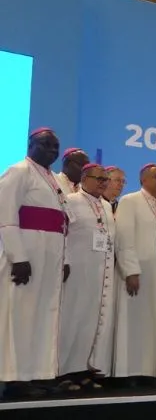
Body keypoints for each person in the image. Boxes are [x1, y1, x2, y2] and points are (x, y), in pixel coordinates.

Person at [0, 128, 70, 397]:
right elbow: (5, 217)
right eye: (46, 145)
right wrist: (18, 258)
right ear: (31, 144)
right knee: (21, 317)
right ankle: (15, 378)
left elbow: (62, 222)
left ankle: (37, 373)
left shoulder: (53, 179)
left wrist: (64, 259)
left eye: (56, 146)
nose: (52, 150)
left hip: (49, 260)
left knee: (43, 316)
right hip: (26, 259)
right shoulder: (18, 172)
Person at [114, 163, 156, 383]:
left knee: (155, 322)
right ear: (144, 180)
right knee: (134, 322)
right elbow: (124, 239)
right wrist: (130, 270)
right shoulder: (130, 201)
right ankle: (129, 371)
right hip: (137, 274)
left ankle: (150, 370)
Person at [59, 164, 116, 391]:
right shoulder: (70, 201)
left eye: (106, 180)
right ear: (84, 178)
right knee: (70, 321)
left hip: (99, 273)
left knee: (90, 323)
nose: (103, 183)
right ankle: (61, 372)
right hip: (76, 272)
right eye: (99, 179)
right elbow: (61, 233)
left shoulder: (105, 205)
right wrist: (63, 262)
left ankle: (81, 369)